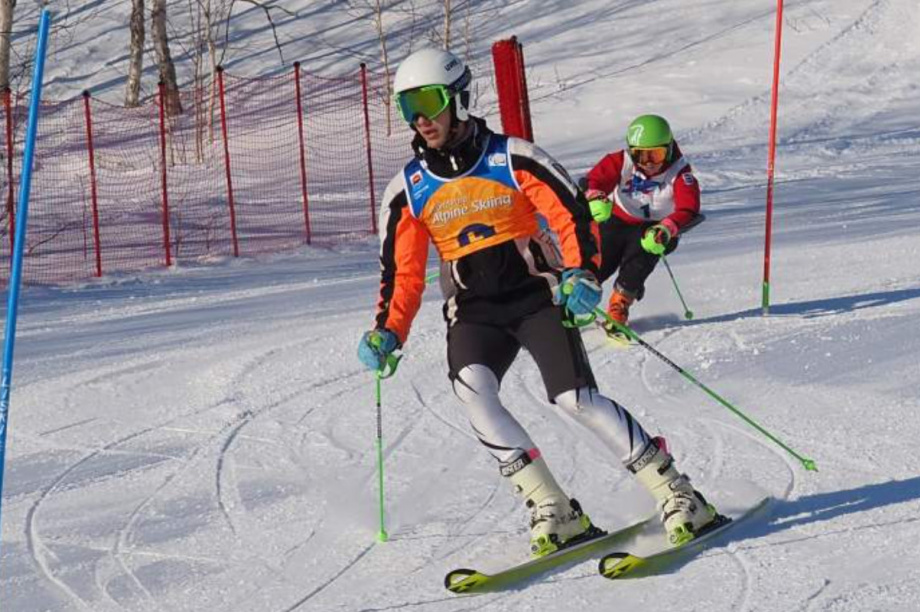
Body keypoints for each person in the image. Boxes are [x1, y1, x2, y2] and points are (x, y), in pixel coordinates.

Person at [356, 49, 717, 556]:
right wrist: (387, 331)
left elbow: (571, 213)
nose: (420, 117)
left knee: (574, 400)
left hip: (536, 298)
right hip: (474, 311)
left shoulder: (511, 156)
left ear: (458, 99)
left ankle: (677, 493)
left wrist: (582, 273)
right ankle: (554, 507)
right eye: (406, 106)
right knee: (473, 392)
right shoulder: (408, 190)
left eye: (429, 101)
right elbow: (401, 273)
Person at [583, 114, 702, 328]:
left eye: (656, 155)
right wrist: (595, 196)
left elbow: (689, 208)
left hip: (656, 228)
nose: (648, 164)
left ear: (669, 149)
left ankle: (620, 303)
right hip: (618, 219)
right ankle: (579, 298)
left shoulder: (680, 173)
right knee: (602, 255)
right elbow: (594, 180)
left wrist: (667, 229)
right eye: (640, 155)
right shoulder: (622, 161)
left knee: (640, 256)